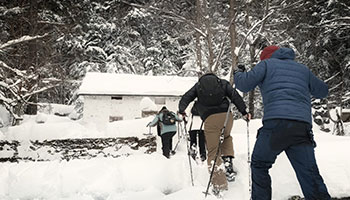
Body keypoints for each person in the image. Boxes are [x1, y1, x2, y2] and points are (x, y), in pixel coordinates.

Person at [234, 45, 331, 200]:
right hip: (301, 127)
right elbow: (323, 91)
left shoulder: (266, 64)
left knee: (259, 164)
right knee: (309, 173)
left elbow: (243, 85)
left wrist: (238, 72)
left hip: (276, 125)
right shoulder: (302, 69)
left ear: (266, 57)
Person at [178, 73, 250, 195]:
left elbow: (186, 98)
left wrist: (181, 111)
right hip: (227, 117)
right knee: (227, 138)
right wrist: (244, 111)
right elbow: (235, 96)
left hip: (210, 119)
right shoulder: (222, 83)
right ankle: (228, 166)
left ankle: (219, 185)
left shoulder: (198, 86)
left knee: (213, 151)